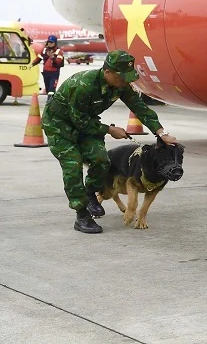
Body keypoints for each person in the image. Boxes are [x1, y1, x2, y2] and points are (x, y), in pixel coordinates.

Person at [41, 50, 179, 234]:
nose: (125, 82)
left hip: (87, 124)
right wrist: (109, 130)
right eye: (122, 77)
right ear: (108, 73)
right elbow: (78, 121)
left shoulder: (120, 85)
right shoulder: (83, 85)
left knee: (102, 160)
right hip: (60, 126)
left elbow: (141, 108)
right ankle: (82, 215)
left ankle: (90, 193)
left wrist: (162, 133)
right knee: (73, 165)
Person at [31, 35, 65, 101]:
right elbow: (39, 58)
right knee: (47, 88)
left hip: (54, 73)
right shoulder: (44, 50)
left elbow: (59, 62)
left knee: (51, 89)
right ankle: (51, 100)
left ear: (55, 43)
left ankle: (49, 102)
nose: (50, 43)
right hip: (46, 72)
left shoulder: (58, 51)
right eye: (49, 42)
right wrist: (32, 64)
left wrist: (53, 57)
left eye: (52, 42)